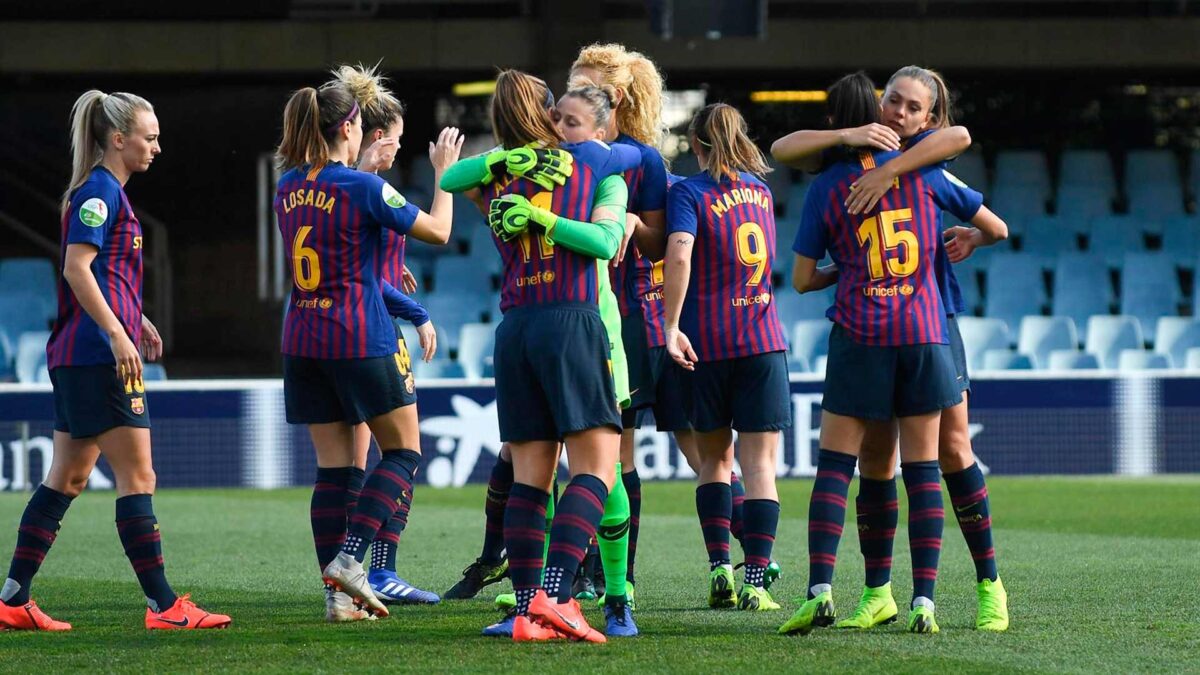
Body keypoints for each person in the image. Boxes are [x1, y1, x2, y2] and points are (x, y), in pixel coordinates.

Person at [773, 65, 1010, 632]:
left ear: (928, 117)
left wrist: (963, 229)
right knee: (884, 458)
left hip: (931, 318)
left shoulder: (926, 156)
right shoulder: (866, 163)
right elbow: (783, 148)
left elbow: (963, 145)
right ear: (879, 104)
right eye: (892, 103)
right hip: (909, 321)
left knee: (952, 449)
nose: (898, 114)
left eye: (911, 108)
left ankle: (989, 583)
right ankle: (882, 592)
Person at [0, 90, 231, 631]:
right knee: (139, 475)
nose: (157, 147)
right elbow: (77, 269)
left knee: (68, 477)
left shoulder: (106, 193)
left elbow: (105, 276)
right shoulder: (99, 194)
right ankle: (164, 607)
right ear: (119, 138)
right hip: (96, 357)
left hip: (80, 355)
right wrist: (115, 332)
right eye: (149, 137)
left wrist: (135, 318)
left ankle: (12, 598)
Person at [438, 69, 639, 643]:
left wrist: (508, 160)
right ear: (550, 114)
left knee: (530, 476)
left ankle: (529, 610)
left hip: (515, 326)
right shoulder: (595, 166)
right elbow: (606, 237)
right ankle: (558, 596)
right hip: (575, 325)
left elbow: (453, 176)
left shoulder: (499, 178)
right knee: (599, 468)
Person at [273, 78, 462, 621]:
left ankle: (337, 598)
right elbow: (441, 232)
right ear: (351, 127)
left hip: (302, 340)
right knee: (403, 452)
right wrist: (444, 178)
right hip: (358, 335)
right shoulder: (364, 189)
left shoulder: (286, 185)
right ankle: (353, 561)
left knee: (334, 473)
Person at [663, 103, 790, 613]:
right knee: (760, 467)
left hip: (706, 344)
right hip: (761, 341)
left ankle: (720, 568)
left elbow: (678, 252)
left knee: (714, 462)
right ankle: (756, 580)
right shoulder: (760, 192)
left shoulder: (688, 193)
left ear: (695, 145)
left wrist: (670, 325)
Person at [331, 63, 441, 606]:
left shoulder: (349, 186)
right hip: (369, 333)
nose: (400, 149)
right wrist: (416, 311)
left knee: (354, 463)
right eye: (396, 139)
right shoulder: (366, 187)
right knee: (399, 451)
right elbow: (365, 279)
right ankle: (376, 569)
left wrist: (393, 269)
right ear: (375, 136)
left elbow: (368, 266)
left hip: (338, 333)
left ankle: (348, 583)